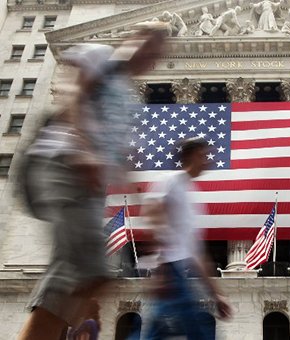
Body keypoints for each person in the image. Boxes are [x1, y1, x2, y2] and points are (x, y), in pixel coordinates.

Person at [17, 24, 168, 340]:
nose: (150, 57)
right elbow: (73, 93)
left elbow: (124, 163)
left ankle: (77, 313)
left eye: (156, 54)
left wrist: (146, 214)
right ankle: (72, 314)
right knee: (79, 269)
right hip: (62, 163)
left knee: (88, 273)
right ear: (135, 39)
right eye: (149, 47)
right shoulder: (101, 56)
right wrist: (83, 149)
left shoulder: (128, 100)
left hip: (86, 185)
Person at [143, 138, 232, 340]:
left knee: (162, 331)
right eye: (204, 155)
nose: (208, 161)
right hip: (169, 270)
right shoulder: (169, 180)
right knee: (197, 332)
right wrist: (160, 268)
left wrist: (215, 293)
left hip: (179, 274)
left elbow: (197, 254)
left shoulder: (191, 196)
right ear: (192, 155)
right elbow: (153, 214)